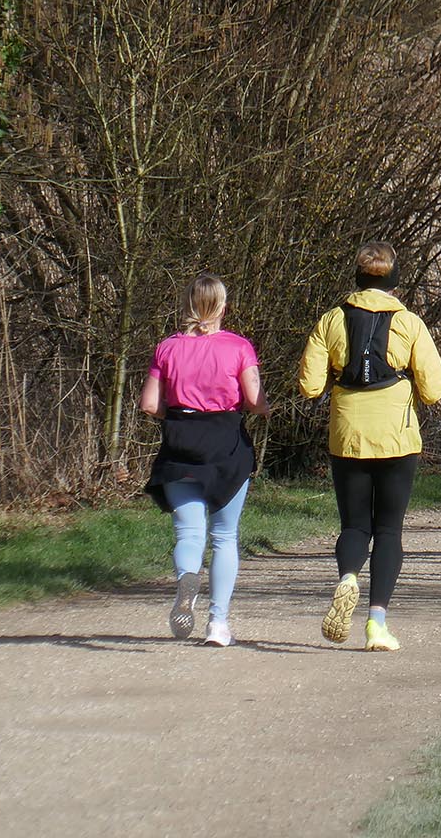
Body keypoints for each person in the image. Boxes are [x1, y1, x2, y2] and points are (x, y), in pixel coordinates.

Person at [299, 241, 441, 652]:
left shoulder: (331, 319)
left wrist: (338, 377)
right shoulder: (409, 323)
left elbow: (309, 385)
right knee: (388, 530)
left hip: (348, 434)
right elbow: (433, 390)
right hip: (397, 435)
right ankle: (376, 624)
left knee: (354, 526)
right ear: (394, 280)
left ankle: (348, 577)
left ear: (358, 277)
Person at [139, 272, 270, 648]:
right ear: (223, 307)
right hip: (225, 444)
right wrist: (264, 407)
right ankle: (218, 624)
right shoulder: (238, 347)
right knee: (224, 536)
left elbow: (149, 404)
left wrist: (178, 413)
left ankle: (187, 577)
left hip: (181, 442)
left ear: (187, 305)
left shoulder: (167, 348)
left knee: (189, 533)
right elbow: (254, 401)